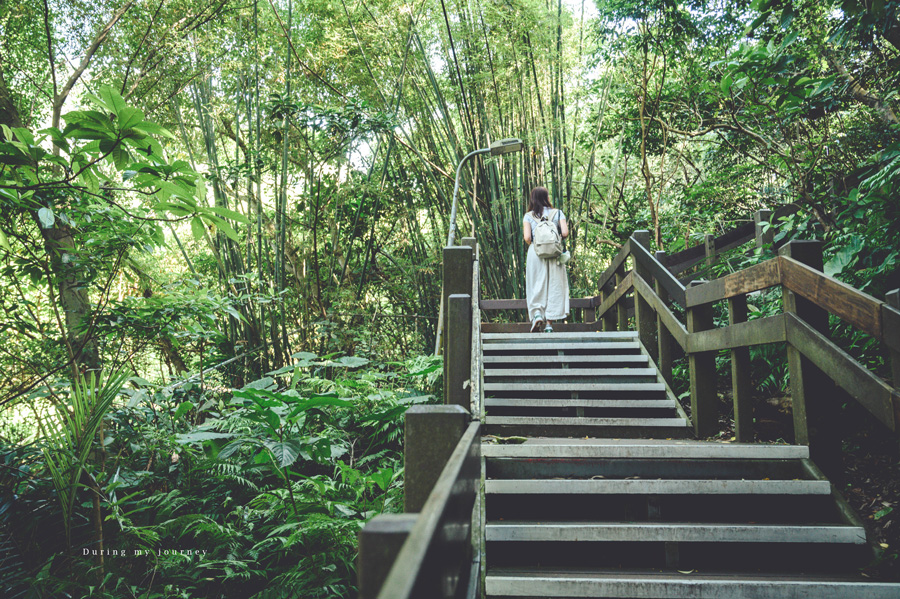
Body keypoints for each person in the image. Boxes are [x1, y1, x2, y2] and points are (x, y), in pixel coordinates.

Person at [523, 186, 569, 332]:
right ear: (547, 198)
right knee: (554, 286)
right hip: (554, 254)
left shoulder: (528, 216)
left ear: (532, 199)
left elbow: (527, 238)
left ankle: (537, 314)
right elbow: (565, 233)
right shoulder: (558, 213)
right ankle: (549, 324)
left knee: (536, 284)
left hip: (536, 253)